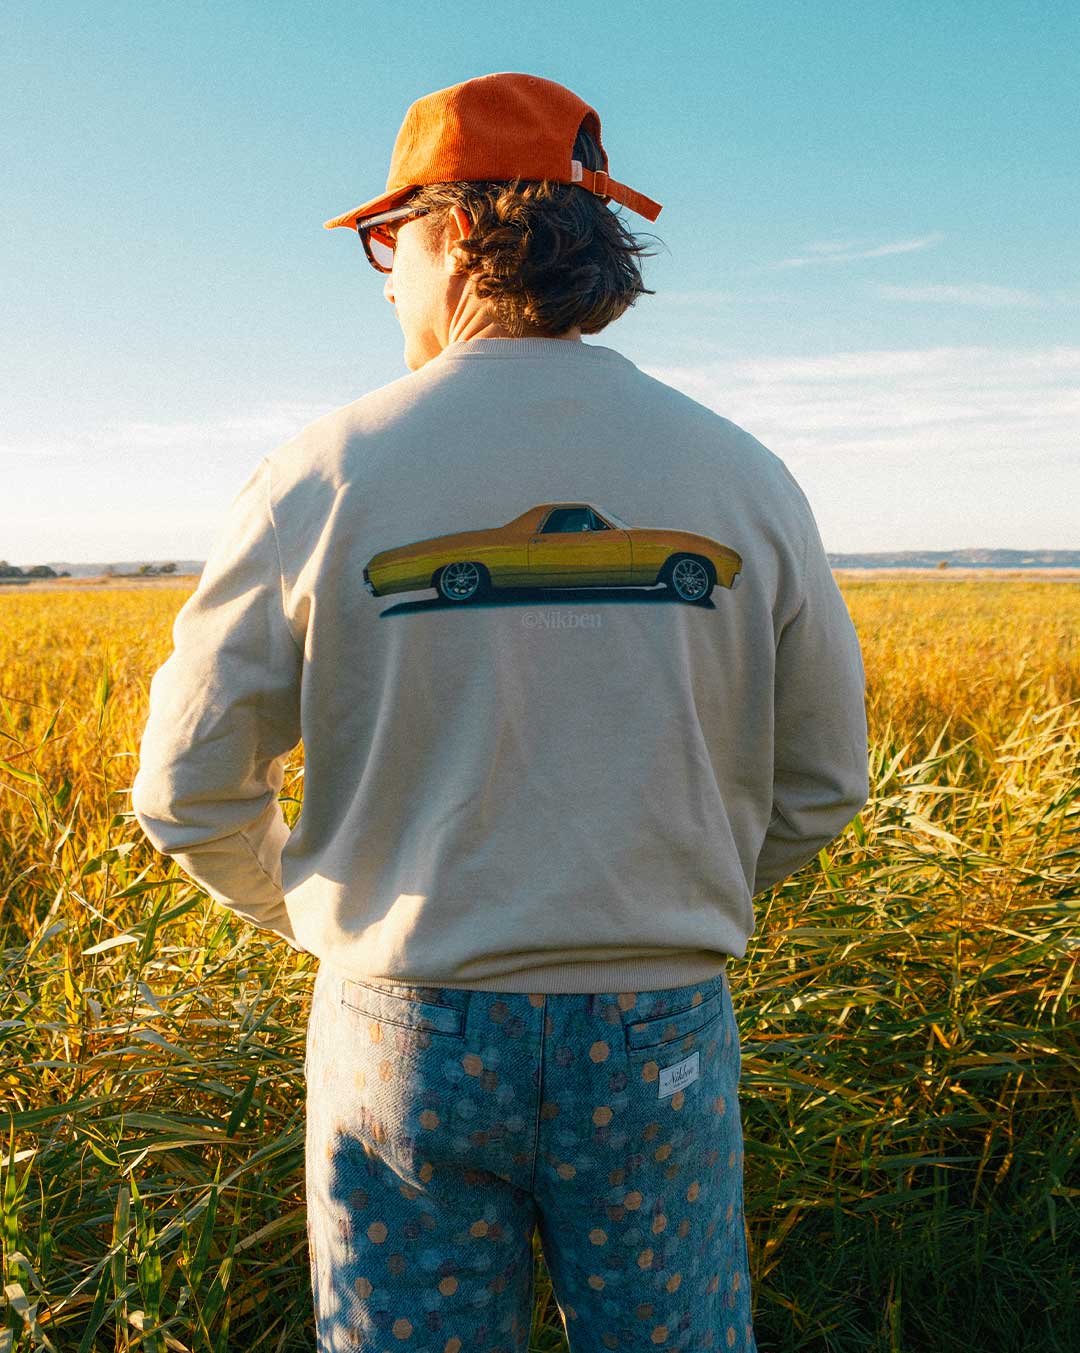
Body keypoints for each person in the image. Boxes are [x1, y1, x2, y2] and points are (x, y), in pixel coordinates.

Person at [131, 71, 869, 1353]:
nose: (382, 280)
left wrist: (319, 919)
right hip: (660, 1025)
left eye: (386, 241)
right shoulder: (740, 472)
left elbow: (186, 787)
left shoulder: (322, 470)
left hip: (401, 1025)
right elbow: (822, 780)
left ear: (457, 229)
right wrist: (665, 902)